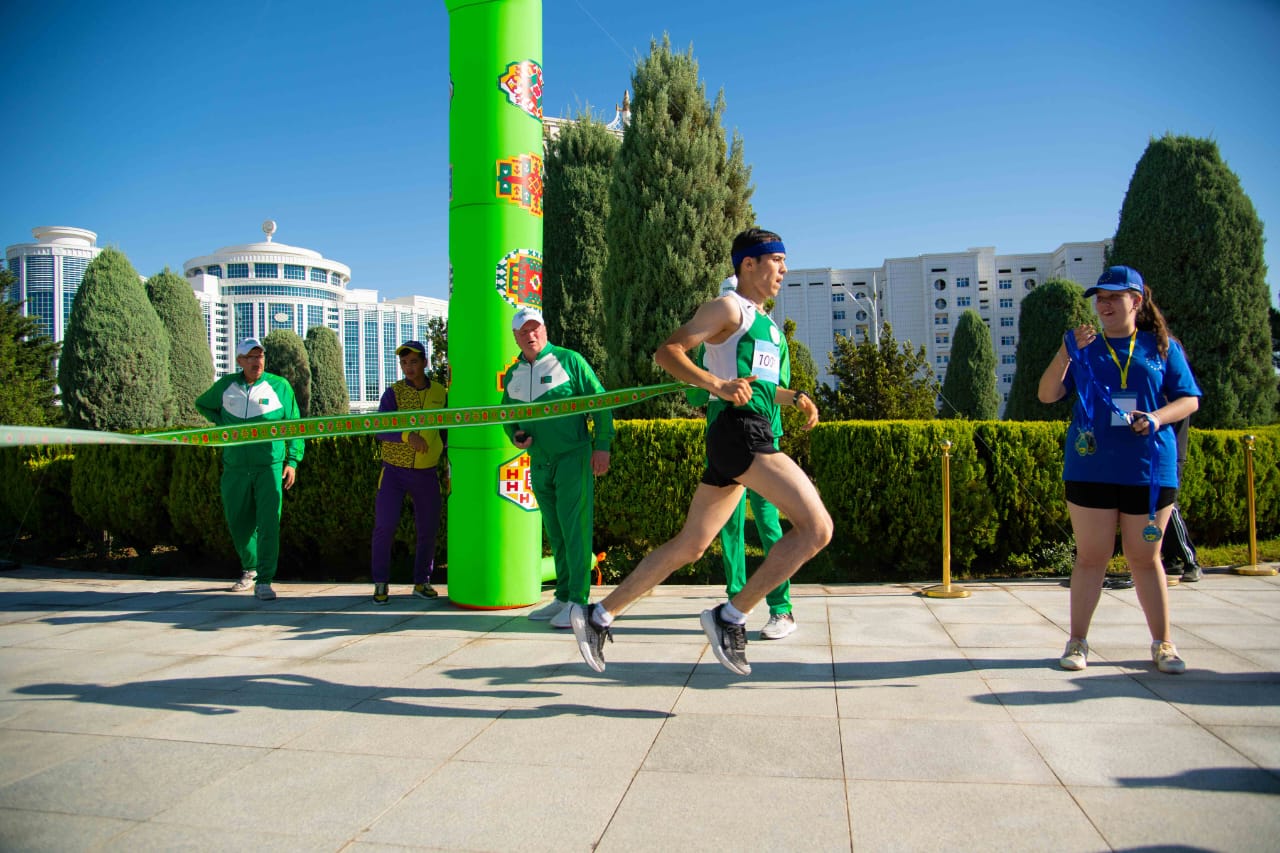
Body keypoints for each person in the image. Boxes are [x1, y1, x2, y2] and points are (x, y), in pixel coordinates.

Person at [571, 227, 832, 675]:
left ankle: (597, 616)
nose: (784, 270)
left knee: (691, 545)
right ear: (748, 264)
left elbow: (759, 385)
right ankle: (729, 616)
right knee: (817, 529)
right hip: (740, 433)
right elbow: (667, 352)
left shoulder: (765, 323)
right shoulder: (728, 308)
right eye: (777, 261)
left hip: (747, 432)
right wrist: (716, 385)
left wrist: (796, 398)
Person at [1037, 266, 1201, 674]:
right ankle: (1077, 642)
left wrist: (1159, 417)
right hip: (1091, 465)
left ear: (1136, 301)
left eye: (1113, 297)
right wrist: (1064, 351)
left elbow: (1189, 400)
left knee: (1145, 558)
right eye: (1099, 297)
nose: (1104, 304)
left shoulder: (1161, 347)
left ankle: (1163, 644)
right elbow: (1046, 395)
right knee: (1091, 557)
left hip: (1148, 467)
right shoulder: (1084, 347)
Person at [686, 276, 796, 640]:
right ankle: (736, 606)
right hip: (725, 443)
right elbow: (697, 399)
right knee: (728, 528)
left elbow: (776, 389)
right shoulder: (710, 344)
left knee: (769, 525)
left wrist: (796, 398)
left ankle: (781, 610)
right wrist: (707, 384)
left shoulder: (771, 335)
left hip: (764, 443)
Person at [501, 306, 614, 629]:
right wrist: (515, 434)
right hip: (539, 462)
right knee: (557, 533)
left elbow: (602, 402)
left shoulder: (570, 361)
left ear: (546, 330)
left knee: (575, 529)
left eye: (535, 328)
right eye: (524, 331)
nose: (531, 335)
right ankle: (563, 596)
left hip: (573, 457)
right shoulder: (514, 373)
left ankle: (578, 602)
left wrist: (602, 445)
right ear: (515, 337)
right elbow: (506, 414)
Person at [195, 337, 304, 601]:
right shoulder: (226, 386)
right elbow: (203, 404)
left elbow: (295, 424)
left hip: (269, 466)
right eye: (251, 357)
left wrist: (292, 461)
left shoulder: (279, 386)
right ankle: (251, 568)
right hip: (234, 467)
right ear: (240, 361)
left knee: (269, 524)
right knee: (238, 523)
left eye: (260, 356)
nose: (257, 361)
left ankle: (264, 580)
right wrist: (223, 425)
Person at [370, 340, 448, 604]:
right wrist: (406, 436)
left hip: (426, 472)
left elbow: (448, 430)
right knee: (385, 526)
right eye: (404, 363)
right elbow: (380, 429)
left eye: (413, 361)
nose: (408, 367)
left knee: (428, 528)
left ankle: (422, 582)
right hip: (393, 471)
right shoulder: (393, 393)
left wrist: (449, 465)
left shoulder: (440, 392)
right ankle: (381, 583)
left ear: (425, 362)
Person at [1161, 416, 1203, 583]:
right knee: (1152, 509)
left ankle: (1191, 562)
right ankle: (1170, 559)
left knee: (1168, 506)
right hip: (1150, 453)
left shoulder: (1174, 392)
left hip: (1169, 453)